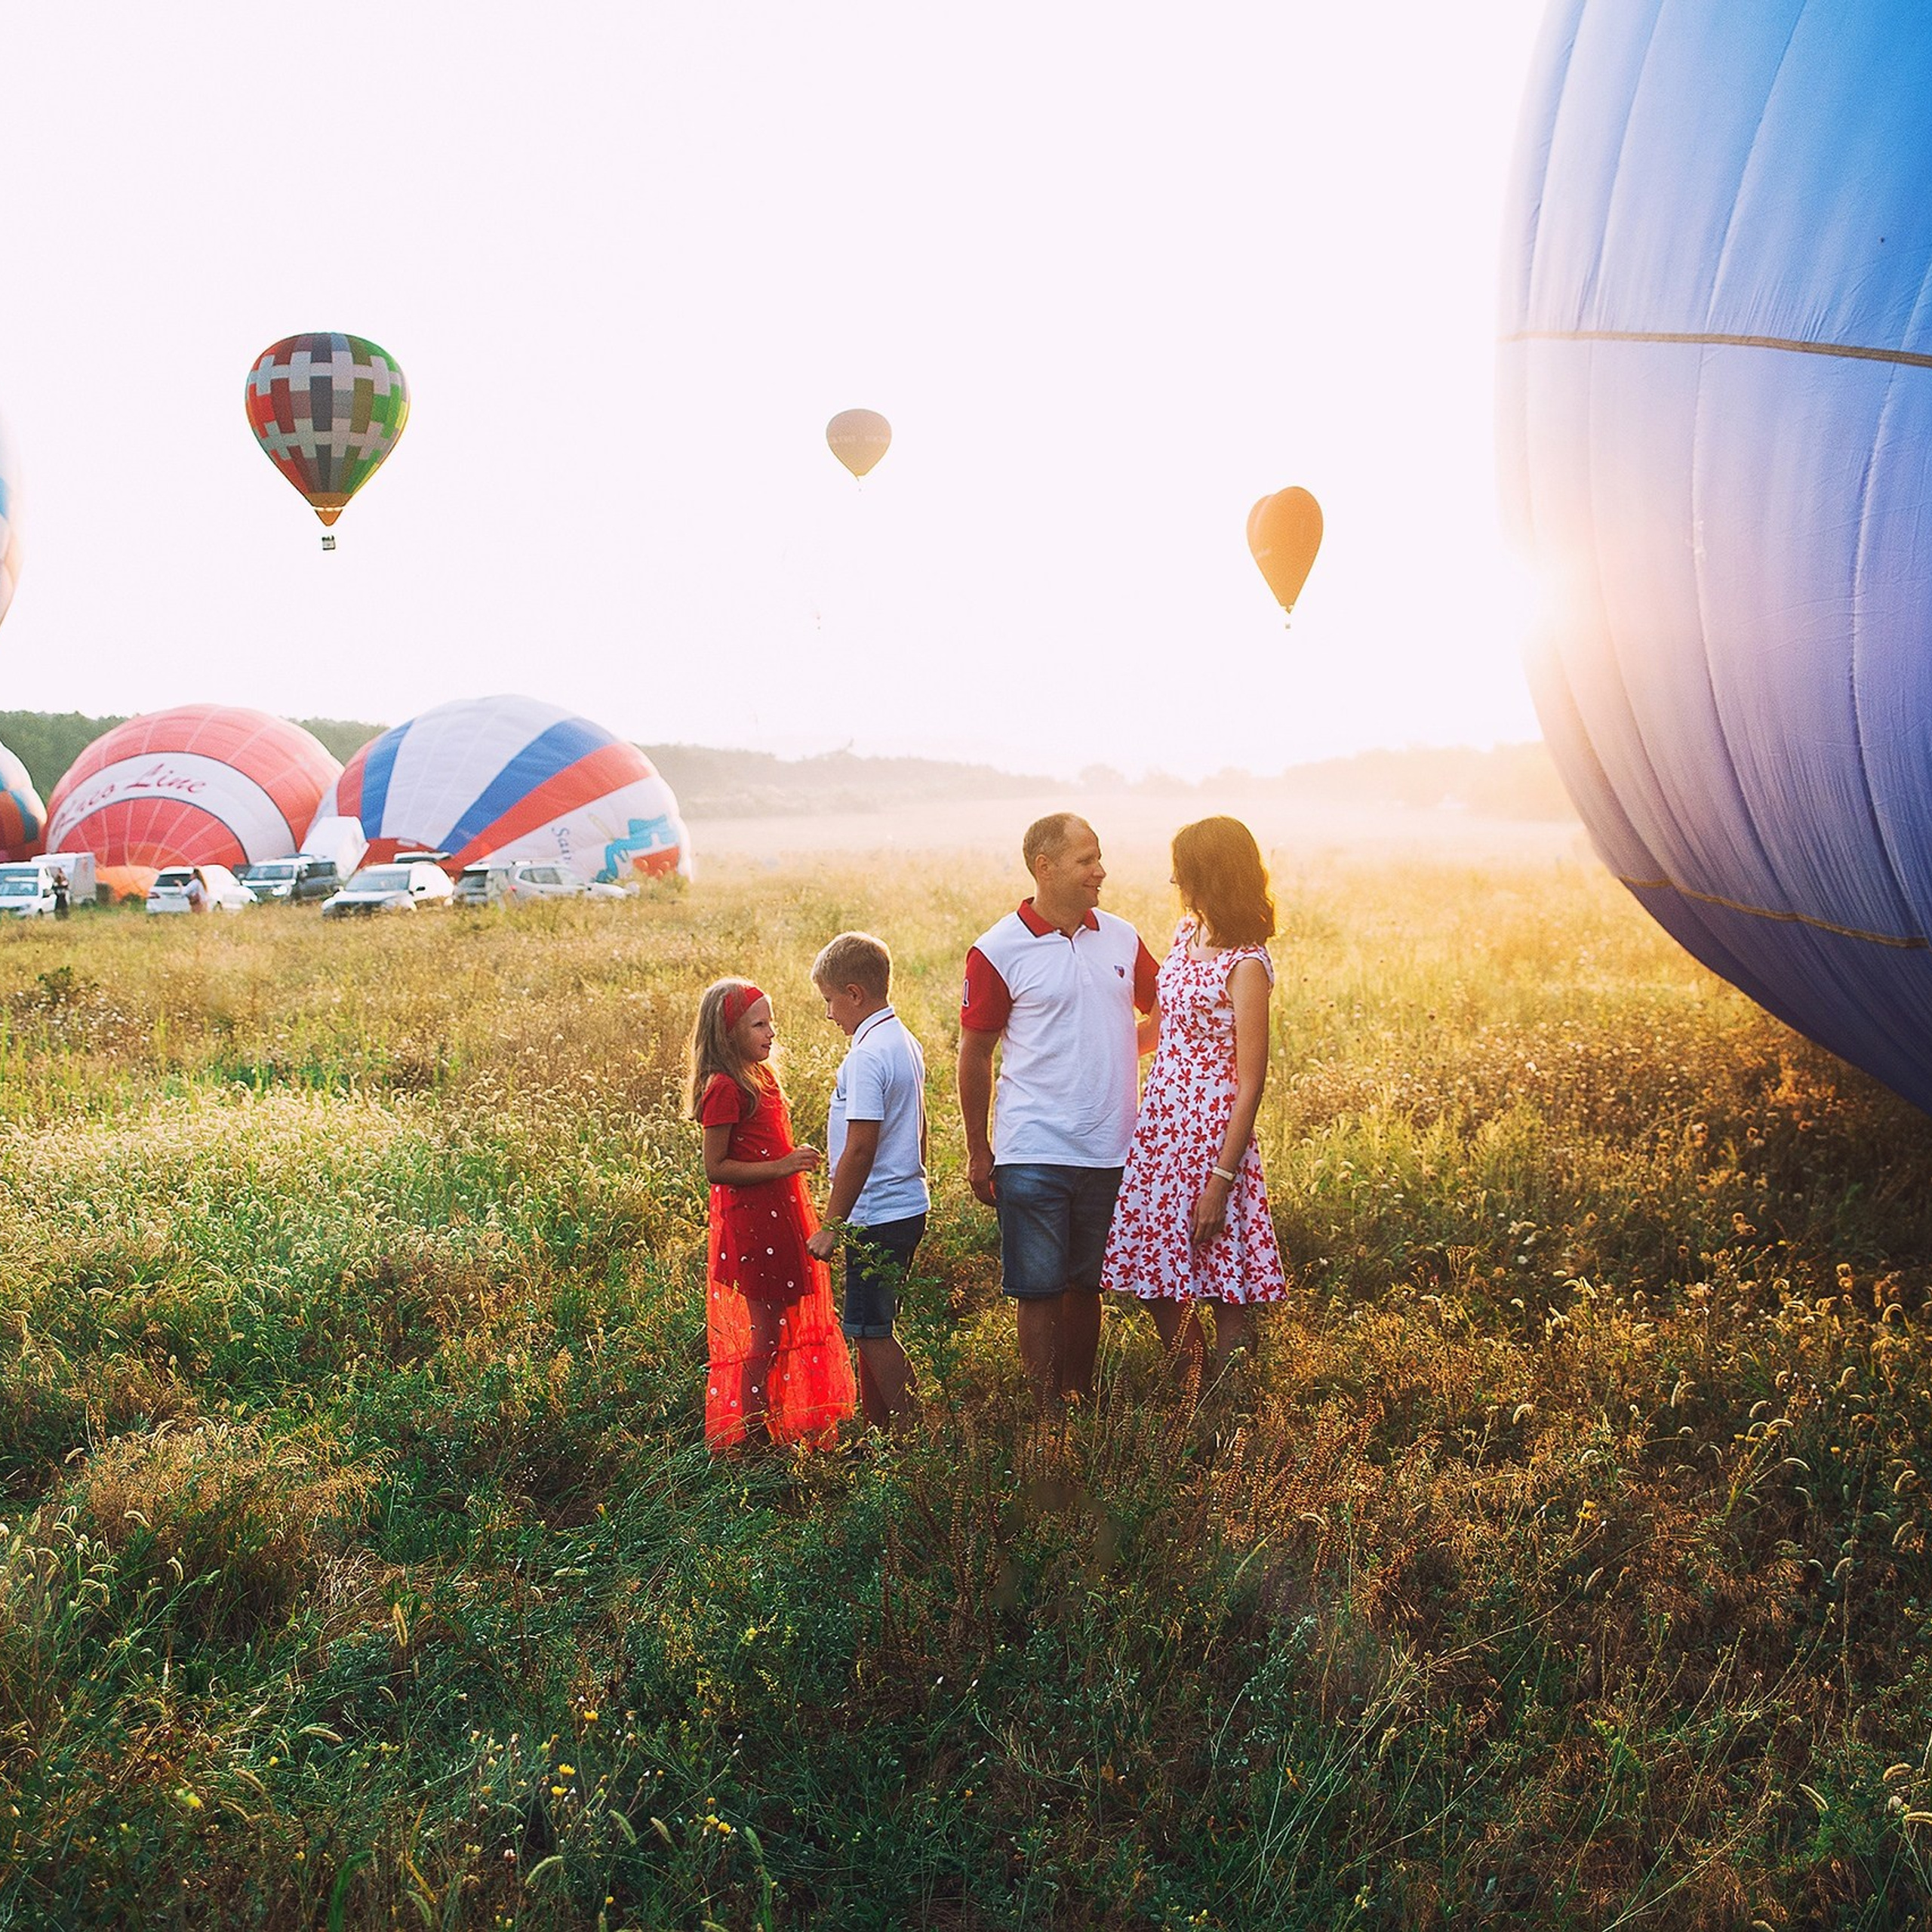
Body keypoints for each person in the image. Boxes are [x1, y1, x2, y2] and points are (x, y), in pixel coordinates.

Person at [959, 813, 1158, 1415]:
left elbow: (1168, 1011)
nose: (1101, 870)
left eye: (1099, 857)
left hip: (1110, 1148)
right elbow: (975, 1053)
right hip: (1032, 1148)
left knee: (1085, 1285)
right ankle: (1046, 1417)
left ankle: (1081, 1401)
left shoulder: (1121, 937)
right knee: (1039, 1290)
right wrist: (978, 1149)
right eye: (1086, 859)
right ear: (1045, 868)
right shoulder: (997, 949)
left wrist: (1124, 1044)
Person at [1101, 817, 1287, 1384]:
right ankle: (1190, 1379)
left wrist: (1222, 1179)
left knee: (1225, 1279)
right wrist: (1080, 1055)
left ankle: (1225, 1404)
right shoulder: (1186, 936)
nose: (1175, 879)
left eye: (1185, 869)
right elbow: (1156, 1031)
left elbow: (1251, 1081)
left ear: (1211, 873)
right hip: (1161, 1129)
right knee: (1153, 1270)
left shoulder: (1247, 965)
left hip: (1213, 1137)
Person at [688, 978, 857, 1451]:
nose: (771, 1032)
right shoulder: (724, 1087)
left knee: (783, 1320)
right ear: (729, 1033)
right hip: (753, 1222)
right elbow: (715, 1167)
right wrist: (783, 1164)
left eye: (771, 1023)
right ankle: (755, 1434)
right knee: (767, 1328)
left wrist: (790, 1163)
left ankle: (777, 1419)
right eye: (759, 1024)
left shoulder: (759, 1076)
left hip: (781, 1214)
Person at [805, 931, 928, 1432]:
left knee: (872, 1331)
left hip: (876, 1215)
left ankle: (912, 1439)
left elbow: (860, 1146)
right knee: (871, 1328)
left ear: (855, 994)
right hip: (904, 1205)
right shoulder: (903, 1040)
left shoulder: (867, 1056)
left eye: (831, 1001)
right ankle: (880, 1434)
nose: (830, 1013)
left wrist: (832, 1225)